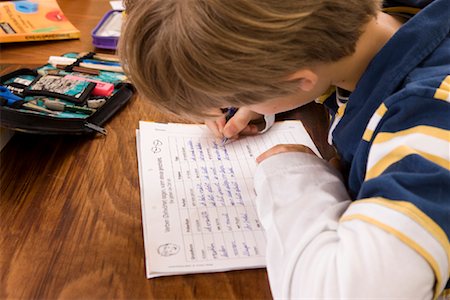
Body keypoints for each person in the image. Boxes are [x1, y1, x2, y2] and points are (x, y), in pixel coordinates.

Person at [119, 0, 450, 298]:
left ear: (298, 79)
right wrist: (264, 95)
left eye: (235, 99)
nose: (234, 107)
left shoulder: (428, 115)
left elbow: (347, 291)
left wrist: (292, 173)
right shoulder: (383, 24)